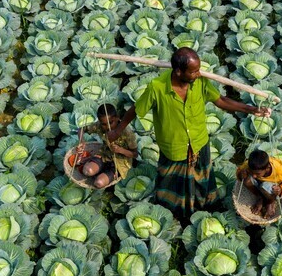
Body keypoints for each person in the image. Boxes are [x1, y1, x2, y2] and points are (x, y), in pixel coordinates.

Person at [108, 48, 271, 219]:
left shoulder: (201, 82)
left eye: (199, 69)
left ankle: (204, 207)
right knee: (173, 183)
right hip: (173, 146)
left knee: (202, 180)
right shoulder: (157, 88)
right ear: (178, 72)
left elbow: (221, 100)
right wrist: (118, 130)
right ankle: (175, 213)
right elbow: (136, 109)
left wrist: (250, 109)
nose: (198, 74)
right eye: (193, 71)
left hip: (199, 142)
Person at [79, 104, 138, 189]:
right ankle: (100, 169)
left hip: (120, 163)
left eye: (111, 122)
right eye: (104, 124)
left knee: (99, 183)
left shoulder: (127, 132)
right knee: (87, 171)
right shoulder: (99, 126)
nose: (108, 127)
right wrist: (81, 142)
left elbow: (135, 154)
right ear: (99, 122)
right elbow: (81, 129)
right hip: (104, 155)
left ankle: (106, 173)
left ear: (117, 118)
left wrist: (120, 150)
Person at [236, 149, 282, 218]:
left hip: (274, 190)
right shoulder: (249, 164)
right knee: (247, 180)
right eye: (251, 171)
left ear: (267, 168)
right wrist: (241, 174)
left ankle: (271, 202)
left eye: (257, 173)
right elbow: (239, 170)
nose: (254, 175)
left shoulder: (278, 170)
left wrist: (281, 188)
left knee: (264, 186)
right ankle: (260, 198)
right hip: (259, 185)